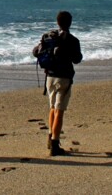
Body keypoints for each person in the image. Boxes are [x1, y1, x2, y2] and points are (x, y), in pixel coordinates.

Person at [33, 10, 83, 156]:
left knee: (52, 108)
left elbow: (36, 51)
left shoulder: (49, 37)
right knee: (59, 111)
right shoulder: (72, 40)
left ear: (57, 22)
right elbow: (77, 59)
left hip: (49, 77)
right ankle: (55, 143)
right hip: (64, 78)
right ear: (70, 23)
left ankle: (50, 136)